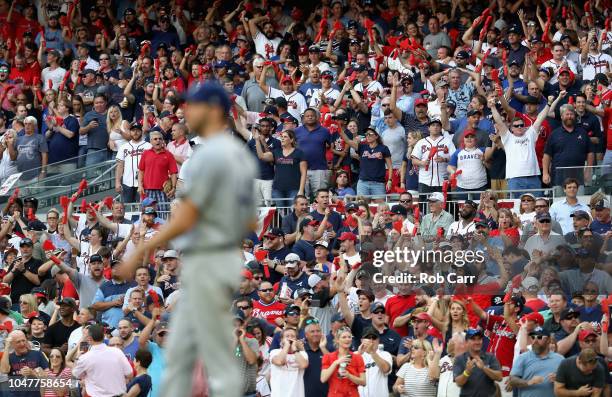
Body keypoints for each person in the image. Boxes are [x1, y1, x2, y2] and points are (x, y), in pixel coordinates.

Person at [118, 82, 257, 397]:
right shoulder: (229, 153)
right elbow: (249, 219)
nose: (185, 112)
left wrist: (143, 248)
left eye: (193, 106)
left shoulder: (214, 154)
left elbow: (187, 216)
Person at [72, 324, 133, 396]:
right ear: (103, 336)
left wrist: (77, 358)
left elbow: (75, 374)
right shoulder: (117, 352)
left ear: (89, 338)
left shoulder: (85, 358)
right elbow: (130, 374)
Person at [509, 326, 564, 397]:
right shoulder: (523, 358)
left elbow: (571, 381)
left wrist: (559, 379)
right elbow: (512, 380)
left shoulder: (560, 359)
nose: (535, 341)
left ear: (548, 340)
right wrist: (528, 382)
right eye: (532, 337)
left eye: (539, 337)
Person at [453, 328, 503, 397]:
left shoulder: (490, 357)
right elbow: (459, 383)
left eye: (479, 339)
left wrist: (484, 368)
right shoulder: (460, 359)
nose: (477, 342)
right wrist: (467, 372)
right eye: (473, 339)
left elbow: (499, 377)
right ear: (466, 342)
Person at [0, 330, 49, 397]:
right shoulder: (9, 357)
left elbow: (48, 376)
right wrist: (6, 347)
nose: (22, 344)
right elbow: (4, 370)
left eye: (23, 340)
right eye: (18, 342)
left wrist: (32, 373)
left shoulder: (38, 354)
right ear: (12, 344)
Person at [321, 327, 366, 396]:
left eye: (349, 337)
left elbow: (363, 382)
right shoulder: (328, 357)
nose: (347, 339)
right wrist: (335, 363)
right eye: (344, 337)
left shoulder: (357, 357)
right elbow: (323, 379)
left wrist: (349, 375)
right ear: (337, 340)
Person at [269, 327, 309, 397]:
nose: (290, 338)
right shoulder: (274, 352)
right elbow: (279, 361)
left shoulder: (302, 354)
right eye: (287, 336)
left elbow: (304, 365)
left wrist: (294, 349)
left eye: (293, 336)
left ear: (296, 340)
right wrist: (286, 345)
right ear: (281, 340)